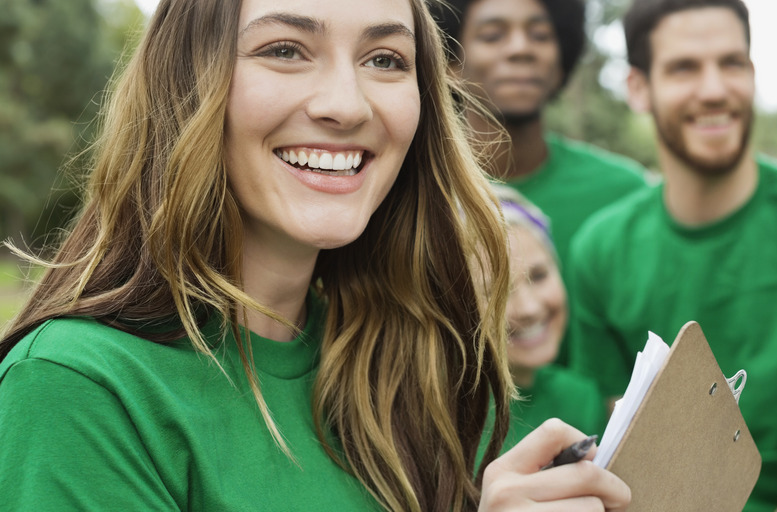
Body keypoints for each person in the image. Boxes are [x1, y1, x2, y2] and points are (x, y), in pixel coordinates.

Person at [0, 0, 630, 510]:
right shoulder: (78, 389)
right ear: (186, 81)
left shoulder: (406, 362)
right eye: (284, 50)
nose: (346, 105)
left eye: (385, 59)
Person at [565, 0, 777, 510]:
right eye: (684, 67)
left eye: (732, 63)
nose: (714, 89)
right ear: (638, 88)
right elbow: (629, 449)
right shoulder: (600, 251)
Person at [431, 0, 650, 366]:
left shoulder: (625, 194)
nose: (521, 49)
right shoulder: (416, 194)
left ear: (560, 58)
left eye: (540, 34)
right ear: (451, 64)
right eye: (493, 35)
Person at [481, 185, 604, 459]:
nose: (529, 308)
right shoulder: (439, 420)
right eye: (498, 293)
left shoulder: (582, 398)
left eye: (538, 276)